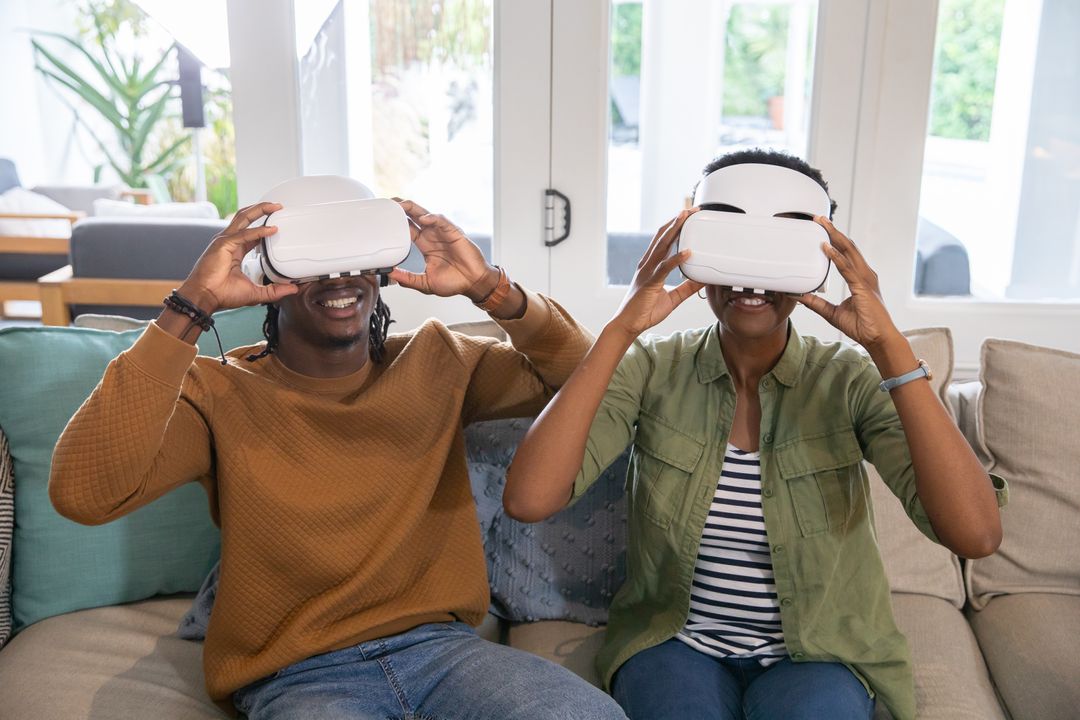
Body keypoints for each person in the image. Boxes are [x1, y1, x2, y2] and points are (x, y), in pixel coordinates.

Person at [49, 197, 627, 720]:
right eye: (313, 264)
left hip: (443, 653)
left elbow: (589, 378)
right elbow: (85, 494)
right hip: (301, 673)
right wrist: (191, 304)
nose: (339, 280)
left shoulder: (439, 359)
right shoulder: (216, 391)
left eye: (353, 260)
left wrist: (491, 289)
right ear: (270, 273)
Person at [503, 149, 1007, 720]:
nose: (750, 281)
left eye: (776, 252)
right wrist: (621, 328)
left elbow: (975, 534)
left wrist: (887, 345)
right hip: (674, 645)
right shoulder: (652, 368)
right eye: (735, 247)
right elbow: (529, 498)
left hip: (819, 653)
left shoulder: (847, 382)